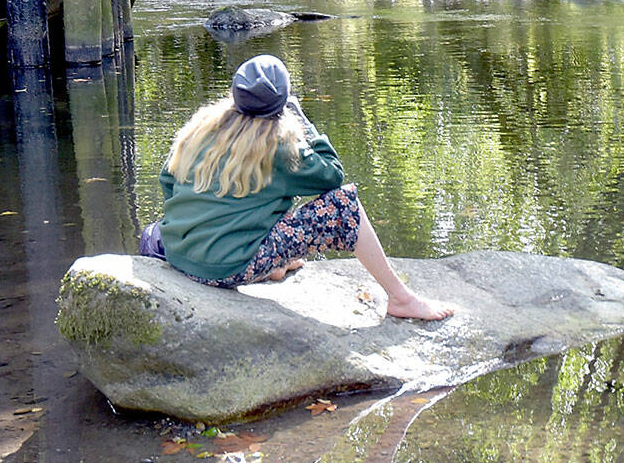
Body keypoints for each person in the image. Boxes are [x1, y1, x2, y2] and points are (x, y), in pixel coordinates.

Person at [159, 54, 453, 321]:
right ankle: (401, 299)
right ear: (282, 103)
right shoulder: (278, 146)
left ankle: (268, 264)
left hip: (177, 254)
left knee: (249, 198)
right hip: (226, 269)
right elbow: (333, 177)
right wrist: (304, 121)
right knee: (344, 205)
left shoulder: (201, 127)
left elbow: (168, 179)